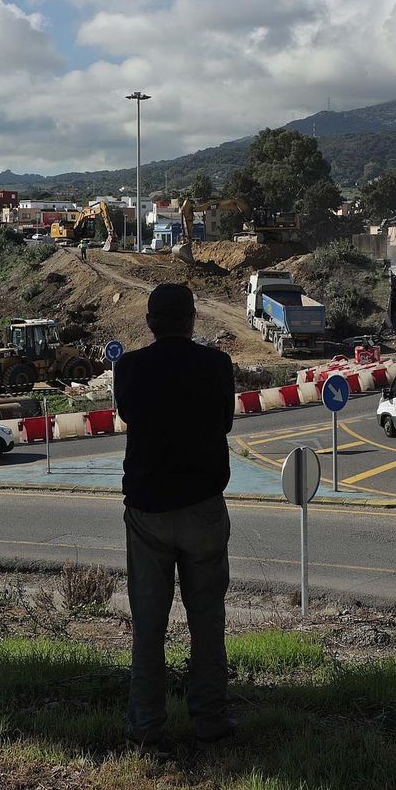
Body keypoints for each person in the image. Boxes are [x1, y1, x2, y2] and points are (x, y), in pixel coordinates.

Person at [113, 283, 237, 750]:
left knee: (148, 625)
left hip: (147, 512)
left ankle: (145, 727)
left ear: (150, 322)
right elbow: (224, 423)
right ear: (192, 319)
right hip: (204, 506)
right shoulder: (217, 365)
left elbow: (128, 413)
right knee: (208, 621)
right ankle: (211, 720)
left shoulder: (130, 367)